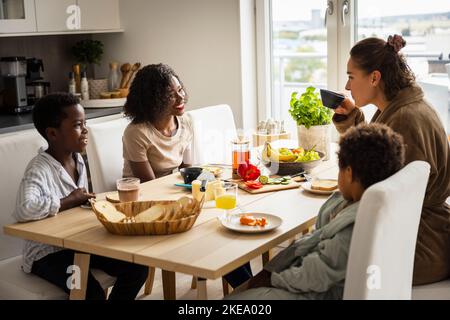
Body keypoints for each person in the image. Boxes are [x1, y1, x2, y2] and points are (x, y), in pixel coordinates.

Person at [226, 123, 406, 300]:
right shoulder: (364, 205)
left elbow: (316, 275)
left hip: (319, 293)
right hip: (317, 284)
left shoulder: (354, 227)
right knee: (246, 287)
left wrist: (274, 279)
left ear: (349, 173)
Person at [333, 34, 450, 285]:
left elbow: (380, 190)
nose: (347, 86)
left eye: (351, 77)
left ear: (374, 78)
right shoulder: (400, 108)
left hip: (419, 246)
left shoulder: (405, 120)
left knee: (325, 260)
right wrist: (354, 119)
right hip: (424, 233)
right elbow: (380, 154)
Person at [13, 93, 148, 300]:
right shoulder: (39, 168)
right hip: (48, 255)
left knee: (137, 267)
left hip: (78, 244)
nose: (85, 130)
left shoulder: (78, 160)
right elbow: (24, 208)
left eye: (85, 123)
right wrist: (69, 200)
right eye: (77, 125)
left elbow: (77, 203)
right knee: (86, 290)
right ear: (53, 133)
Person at [122, 63, 193, 182]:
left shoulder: (186, 121)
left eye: (180, 90)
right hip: (140, 194)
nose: (181, 97)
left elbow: (187, 173)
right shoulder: (136, 133)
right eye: (170, 95)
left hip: (168, 189)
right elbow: (149, 185)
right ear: (153, 100)